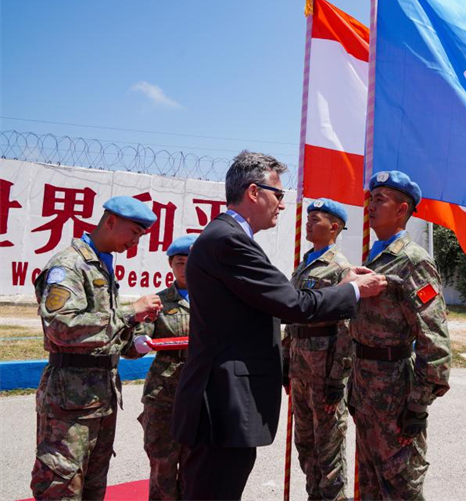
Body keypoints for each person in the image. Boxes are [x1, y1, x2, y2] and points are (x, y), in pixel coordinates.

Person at [171, 151, 387, 501]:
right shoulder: (230, 240)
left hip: (222, 400)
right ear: (254, 192)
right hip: (223, 403)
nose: (283, 206)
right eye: (279, 195)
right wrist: (353, 291)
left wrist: (342, 283)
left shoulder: (225, 237)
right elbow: (293, 304)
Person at [30, 196, 163, 500]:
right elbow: (61, 327)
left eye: (140, 236)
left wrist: (137, 338)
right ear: (111, 221)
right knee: (61, 486)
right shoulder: (69, 265)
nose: (135, 242)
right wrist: (129, 313)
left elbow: (105, 333)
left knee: (92, 486)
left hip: (100, 398)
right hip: (69, 401)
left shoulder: (101, 266)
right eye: (133, 232)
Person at [348, 170, 451, 500]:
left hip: (395, 392)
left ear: (402, 209)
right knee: (370, 484)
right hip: (366, 388)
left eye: (380, 199)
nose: (370, 205)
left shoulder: (413, 261)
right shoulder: (374, 258)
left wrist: (418, 405)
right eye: (371, 198)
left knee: (400, 484)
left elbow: (434, 338)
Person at [283, 198, 353, 501]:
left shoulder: (339, 268)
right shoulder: (303, 266)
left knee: (329, 455)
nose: (309, 222)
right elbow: (291, 317)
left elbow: (347, 328)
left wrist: (337, 379)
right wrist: (285, 361)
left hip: (324, 375)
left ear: (334, 227)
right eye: (308, 217)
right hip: (300, 372)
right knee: (306, 448)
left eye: (316, 219)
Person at [129, 234, 198, 500]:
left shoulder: (214, 301)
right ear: (171, 265)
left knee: (196, 465)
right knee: (163, 464)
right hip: (164, 393)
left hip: (200, 392)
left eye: (191, 262)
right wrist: (138, 341)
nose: (185, 268)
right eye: (180, 262)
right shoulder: (157, 302)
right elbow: (135, 343)